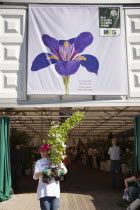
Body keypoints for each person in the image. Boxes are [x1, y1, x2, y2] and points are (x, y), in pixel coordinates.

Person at [33, 144, 67, 210]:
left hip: (55, 191)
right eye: (41, 151)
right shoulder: (39, 162)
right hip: (43, 192)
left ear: (49, 151)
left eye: (44, 151)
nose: (41, 153)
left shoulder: (56, 160)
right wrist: (42, 172)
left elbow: (65, 170)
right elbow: (35, 176)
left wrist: (61, 172)